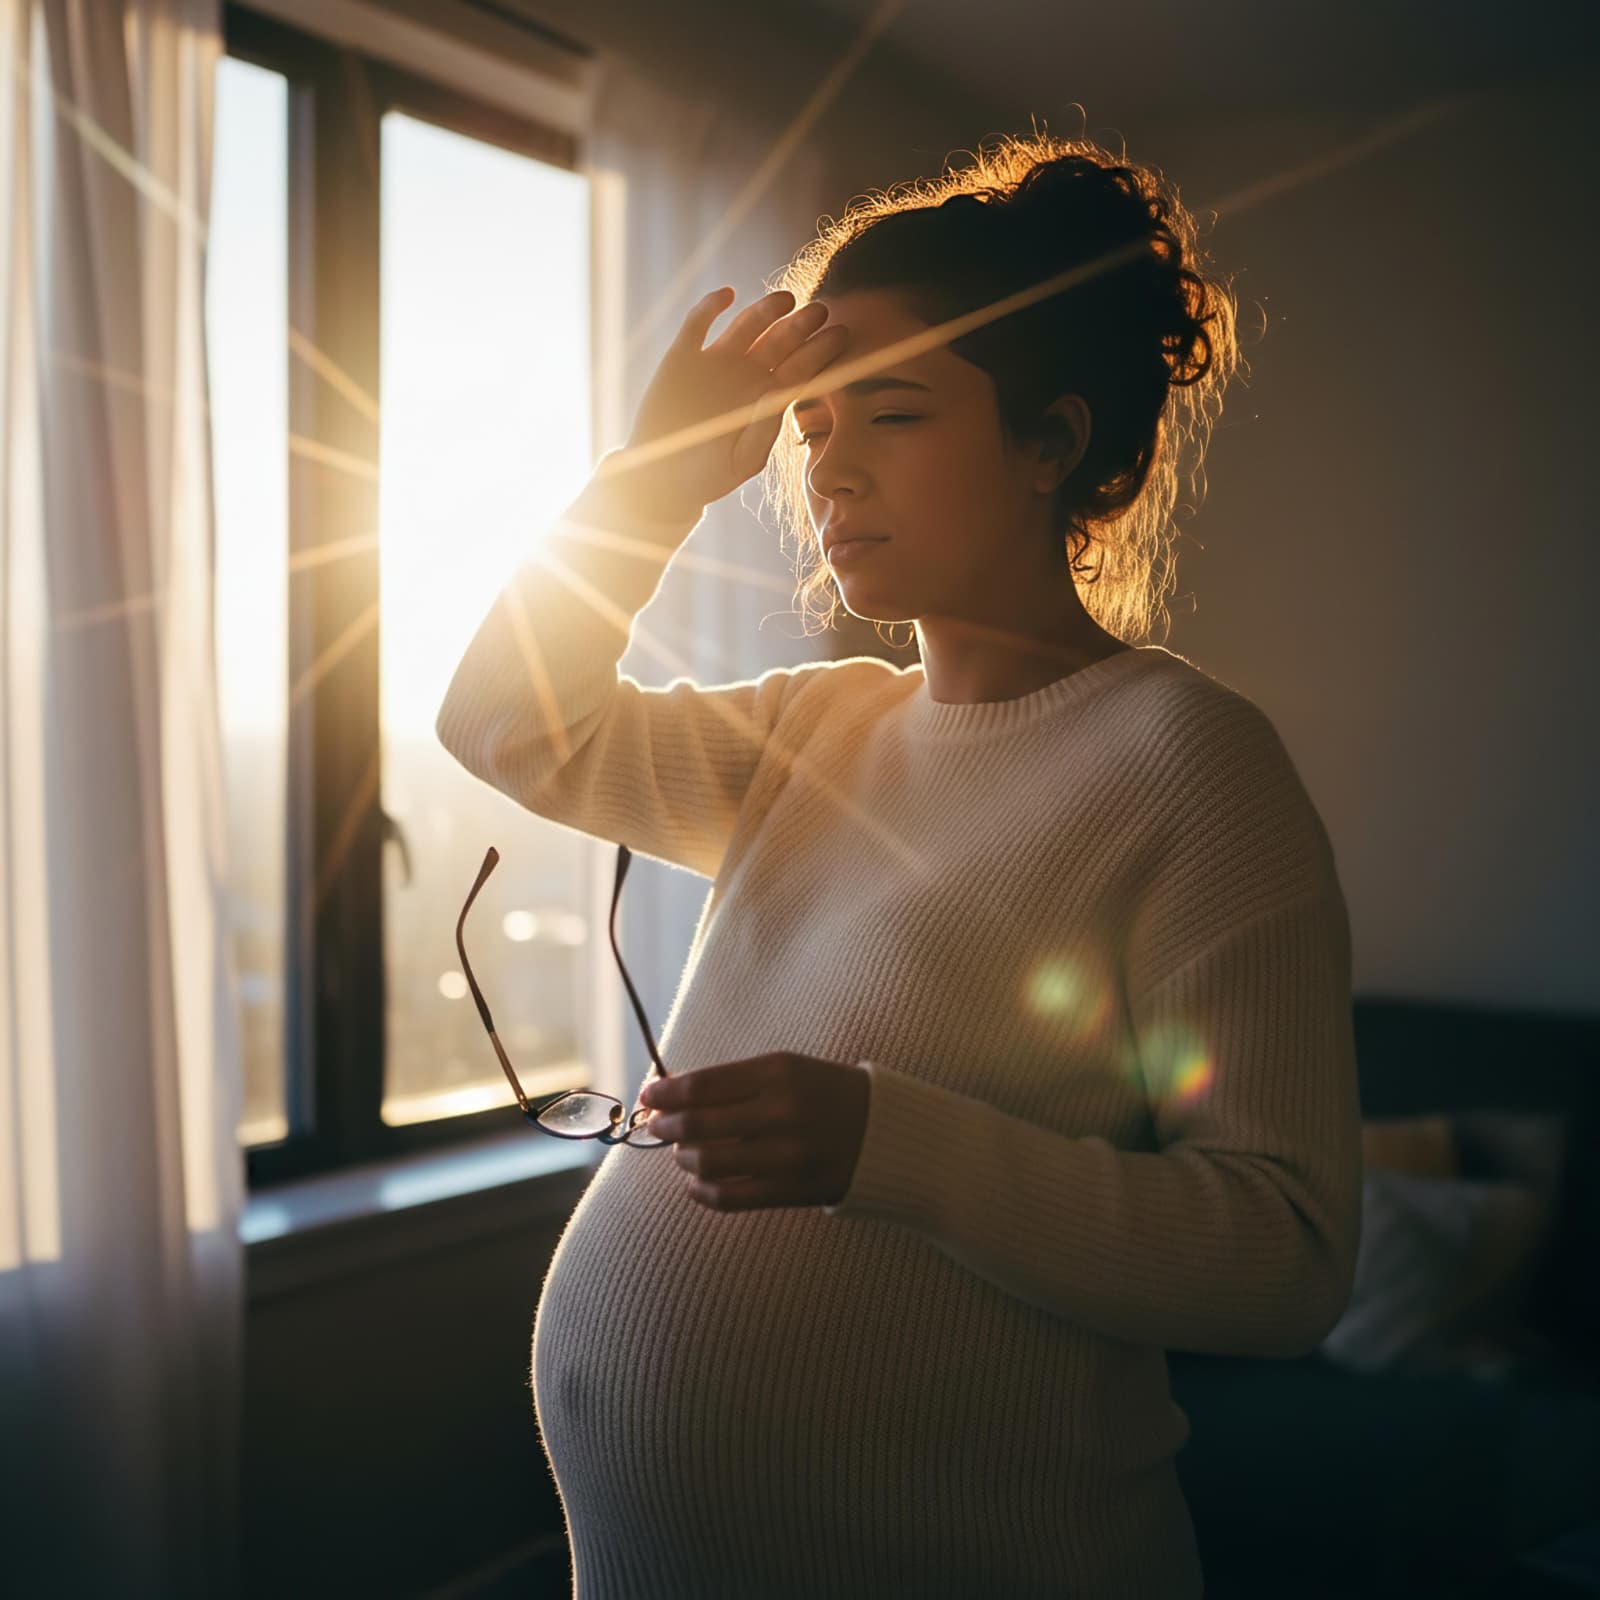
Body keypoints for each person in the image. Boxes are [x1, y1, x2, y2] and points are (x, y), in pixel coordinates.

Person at [435, 129, 1363, 1600]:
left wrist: (888, 1146)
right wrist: (655, 473)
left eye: (896, 413)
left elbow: (1287, 1255)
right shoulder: (816, 726)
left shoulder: (1187, 761)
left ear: (1051, 442)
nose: (830, 468)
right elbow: (500, 723)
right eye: (810, 425)